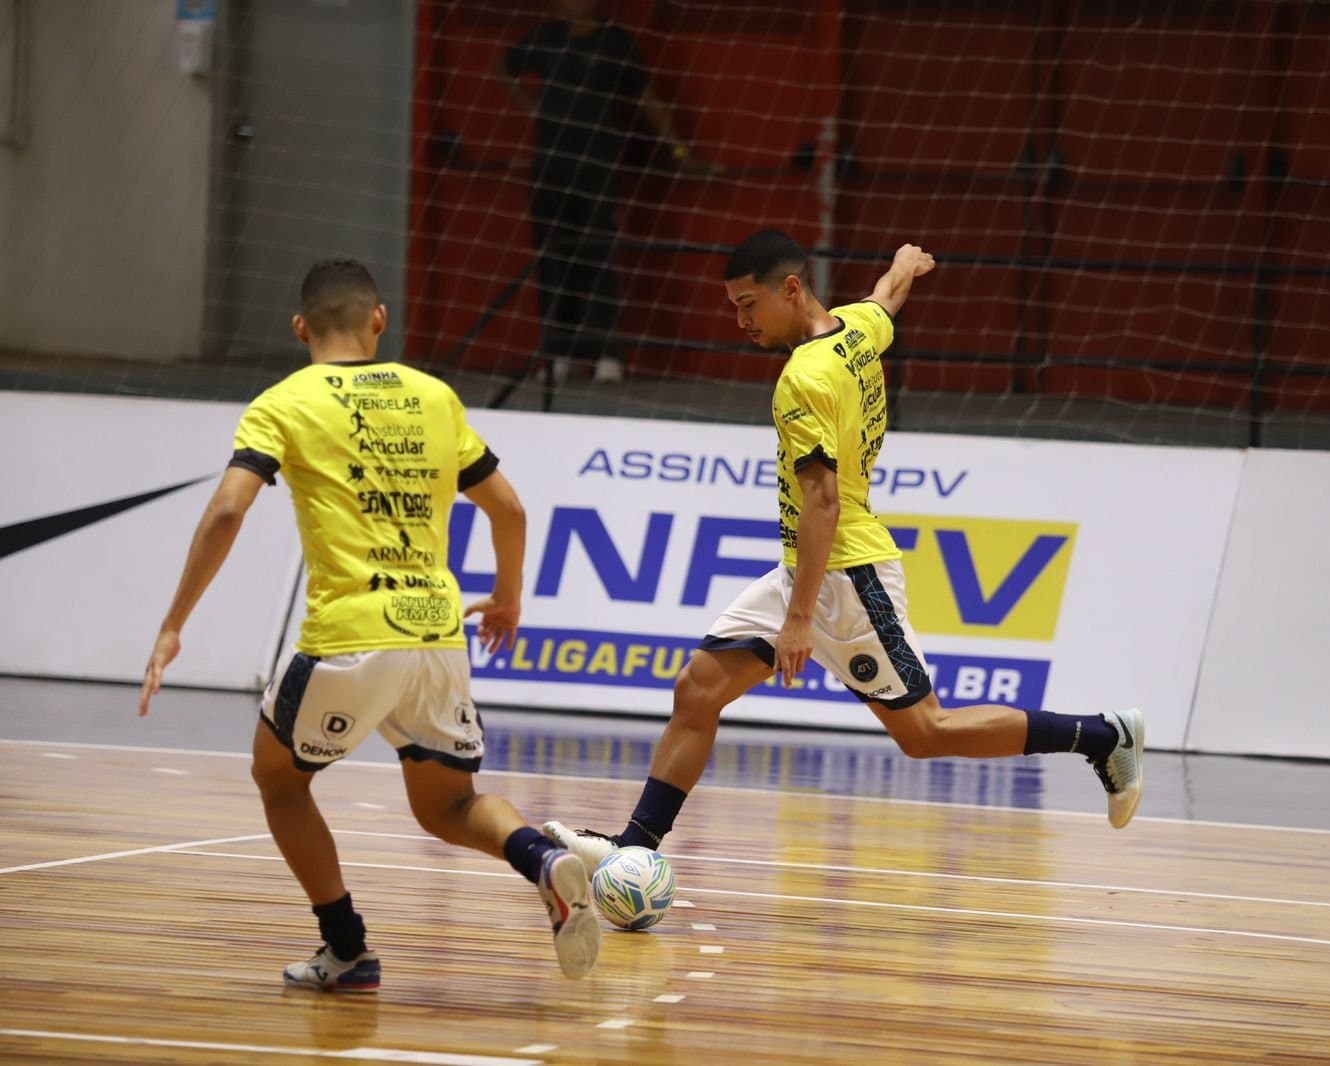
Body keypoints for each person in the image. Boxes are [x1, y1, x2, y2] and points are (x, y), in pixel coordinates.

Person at [542, 230, 1145, 872]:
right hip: (805, 570)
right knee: (698, 691)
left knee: (925, 734)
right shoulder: (854, 330)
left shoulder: (802, 380)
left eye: (749, 304)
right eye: (733, 307)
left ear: (791, 289)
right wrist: (902, 266)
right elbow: (886, 302)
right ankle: (635, 848)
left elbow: (822, 504)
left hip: (848, 575)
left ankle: (1103, 736)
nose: (740, 320)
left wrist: (799, 619)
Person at [138, 260, 600, 991]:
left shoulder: (283, 402)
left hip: (351, 637)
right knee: (449, 804)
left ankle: (346, 949)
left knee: (279, 779)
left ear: (300, 328)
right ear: (378, 319)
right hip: (437, 636)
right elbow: (508, 509)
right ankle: (541, 860)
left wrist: (173, 622)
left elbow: (227, 510)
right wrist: (508, 597)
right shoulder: (434, 396)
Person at [502, 0, 714, 385]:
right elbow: (507, 69)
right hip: (550, 165)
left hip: (598, 166)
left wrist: (680, 151)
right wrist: (534, 108)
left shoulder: (615, 43)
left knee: (599, 259)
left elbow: (647, 99)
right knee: (553, 260)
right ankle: (557, 353)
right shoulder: (545, 39)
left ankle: (606, 353)